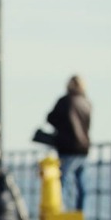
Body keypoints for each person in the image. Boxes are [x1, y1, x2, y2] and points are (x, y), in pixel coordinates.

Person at [47, 75, 92, 211]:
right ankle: (80, 214)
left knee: (63, 181)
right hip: (84, 147)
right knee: (82, 184)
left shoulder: (65, 101)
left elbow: (50, 118)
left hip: (68, 147)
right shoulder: (86, 102)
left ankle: (63, 213)